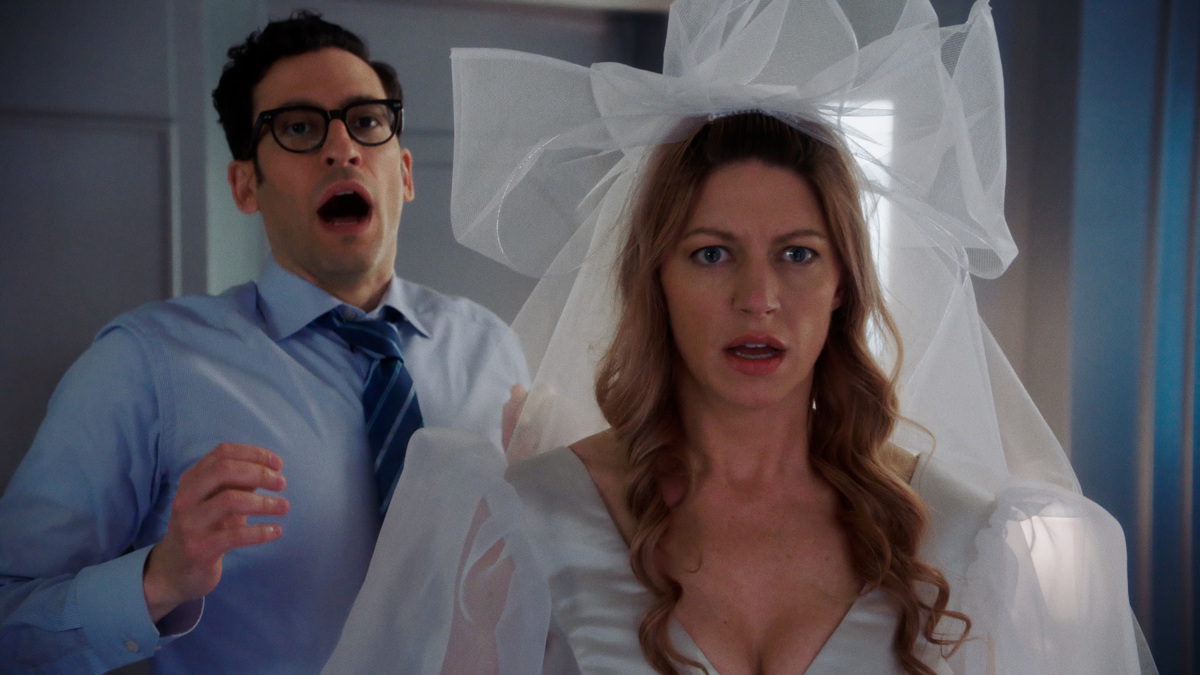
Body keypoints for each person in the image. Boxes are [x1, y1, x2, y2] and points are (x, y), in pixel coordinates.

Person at [324, 0, 1155, 673]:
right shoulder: (525, 518)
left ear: (844, 283)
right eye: (712, 253)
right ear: (655, 278)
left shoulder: (968, 540)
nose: (758, 299)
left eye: (797, 254)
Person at [0, 11, 527, 674]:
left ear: (404, 172)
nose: (343, 149)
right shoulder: (146, 364)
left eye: (367, 121)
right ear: (245, 185)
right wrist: (158, 580)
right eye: (299, 128)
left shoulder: (492, 350)